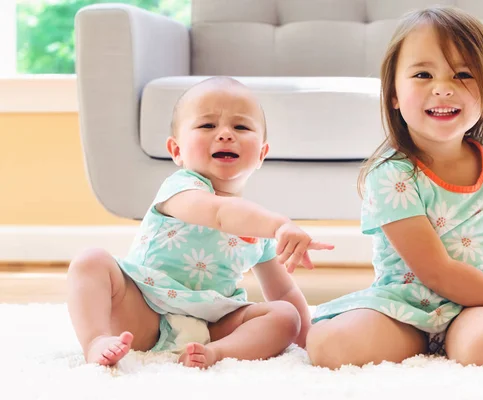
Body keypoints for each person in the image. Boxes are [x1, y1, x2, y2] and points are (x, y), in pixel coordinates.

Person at [306, 6, 483, 369]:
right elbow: (435, 270)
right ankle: (433, 341)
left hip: (481, 300)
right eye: (423, 74)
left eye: (463, 74)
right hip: (406, 302)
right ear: (393, 94)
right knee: (330, 345)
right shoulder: (391, 175)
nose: (443, 88)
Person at [67, 77, 334, 369]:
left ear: (261, 154)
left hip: (212, 324)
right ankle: (96, 341)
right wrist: (280, 224)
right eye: (207, 126)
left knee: (285, 315)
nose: (225, 134)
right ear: (176, 150)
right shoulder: (180, 189)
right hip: (144, 309)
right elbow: (219, 214)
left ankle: (218, 353)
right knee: (90, 261)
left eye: (241, 127)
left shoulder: (260, 228)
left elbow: (283, 291)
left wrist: (306, 336)